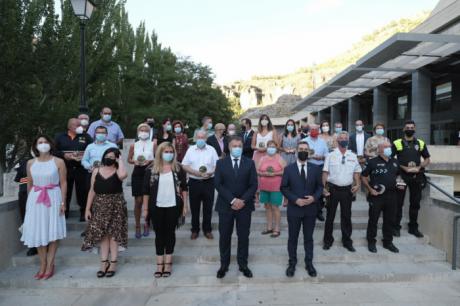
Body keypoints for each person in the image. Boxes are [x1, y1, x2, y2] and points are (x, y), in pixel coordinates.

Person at [20, 135, 67, 280]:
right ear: (35, 145)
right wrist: (29, 203)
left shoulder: (59, 162)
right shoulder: (30, 163)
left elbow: (64, 183)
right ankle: (42, 264)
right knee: (38, 232)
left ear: (50, 144)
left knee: (53, 231)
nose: (43, 144)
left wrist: (63, 203)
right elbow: (29, 183)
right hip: (36, 198)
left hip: (53, 197)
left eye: (45, 142)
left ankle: (50, 264)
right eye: (40, 142)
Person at [142, 142, 188, 278]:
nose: (169, 154)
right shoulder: (151, 170)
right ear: (160, 152)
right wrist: (145, 209)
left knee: (170, 233)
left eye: (171, 152)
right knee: (159, 234)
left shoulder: (178, 169)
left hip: (173, 206)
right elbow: (145, 191)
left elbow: (184, 188)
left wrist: (185, 205)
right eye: (166, 151)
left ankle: (168, 263)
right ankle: (159, 264)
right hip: (156, 206)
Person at [215, 136, 258, 279]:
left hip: (244, 207)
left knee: (243, 236)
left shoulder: (250, 163)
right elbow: (218, 184)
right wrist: (233, 200)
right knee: (224, 236)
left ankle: (243, 264)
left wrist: (242, 200)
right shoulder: (220, 163)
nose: (237, 148)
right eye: (234, 146)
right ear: (228, 147)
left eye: (239, 146)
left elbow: (253, 185)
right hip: (225, 206)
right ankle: (224, 265)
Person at [83, 148, 128, 278]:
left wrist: (121, 161)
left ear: (117, 158)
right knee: (102, 235)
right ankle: (103, 262)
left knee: (114, 234)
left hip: (116, 205)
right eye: (107, 155)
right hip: (100, 205)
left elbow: (123, 175)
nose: (109, 158)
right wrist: (87, 208)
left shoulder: (118, 171)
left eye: (112, 156)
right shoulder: (96, 170)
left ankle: (113, 262)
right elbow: (92, 190)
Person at [281, 141, 323, 278]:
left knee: (308, 238)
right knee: (292, 238)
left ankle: (309, 263)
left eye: (306, 149)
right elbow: (284, 187)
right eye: (301, 149)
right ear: (296, 151)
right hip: (294, 209)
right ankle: (292, 263)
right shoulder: (289, 169)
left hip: (310, 209)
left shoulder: (316, 169)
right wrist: (295, 199)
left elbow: (320, 187)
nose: (303, 151)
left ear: (309, 152)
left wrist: (314, 198)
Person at [322, 131, 361, 252]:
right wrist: (323, 188)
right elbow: (325, 172)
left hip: (347, 190)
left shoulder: (352, 156)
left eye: (345, 138)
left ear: (348, 140)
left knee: (346, 216)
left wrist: (358, 183)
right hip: (333, 189)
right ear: (337, 141)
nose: (343, 140)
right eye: (341, 138)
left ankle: (347, 241)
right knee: (330, 216)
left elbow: (357, 171)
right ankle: (328, 241)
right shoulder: (331, 155)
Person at [362, 141, 403, 253]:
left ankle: (388, 242)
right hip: (377, 196)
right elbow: (364, 177)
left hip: (392, 195)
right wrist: (370, 190)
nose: (388, 148)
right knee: (373, 219)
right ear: (379, 149)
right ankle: (371, 241)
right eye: (385, 147)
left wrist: (400, 183)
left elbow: (399, 175)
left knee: (389, 220)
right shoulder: (372, 162)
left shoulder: (395, 161)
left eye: (389, 147)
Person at [392, 120, 431, 238]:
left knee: (415, 203)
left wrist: (419, 167)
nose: (410, 129)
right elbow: (391, 160)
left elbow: (427, 159)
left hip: (416, 176)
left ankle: (413, 228)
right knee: (398, 203)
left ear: (415, 129)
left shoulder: (420, 143)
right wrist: (404, 168)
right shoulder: (397, 143)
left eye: (412, 127)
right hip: (401, 177)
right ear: (404, 129)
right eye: (407, 127)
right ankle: (396, 227)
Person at [182, 130, 219, 240]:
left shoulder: (211, 150)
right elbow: (184, 165)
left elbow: (217, 164)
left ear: (206, 139)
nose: (200, 139)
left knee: (208, 207)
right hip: (194, 182)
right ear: (195, 138)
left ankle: (207, 230)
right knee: (194, 208)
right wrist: (195, 172)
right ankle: (195, 230)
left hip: (208, 182)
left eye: (203, 137)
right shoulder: (190, 150)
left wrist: (212, 172)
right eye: (198, 137)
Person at [54, 118, 93, 220]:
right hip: (65, 168)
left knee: (83, 191)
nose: (80, 127)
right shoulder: (60, 137)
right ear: (69, 126)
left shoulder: (86, 136)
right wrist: (64, 155)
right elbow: (53, 151)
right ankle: (64, 213)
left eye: (80, 125)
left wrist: (84, 157)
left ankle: (84, 213)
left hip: (81, 168)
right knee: (66, 191)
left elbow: (93, 149)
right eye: (77, 125)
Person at [127, 123, 155, 239]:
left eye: (146, 130)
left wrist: (149, 162)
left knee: (147, 200)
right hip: (137, 173)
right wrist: (135, 162)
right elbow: (129, 159)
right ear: (138, 132)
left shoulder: (153, 144)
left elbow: (157, 158)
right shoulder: (134, 145)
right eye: (141, 130)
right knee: (138, 201)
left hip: (149, 172)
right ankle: (137, 225)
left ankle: (146, 224)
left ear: (149, 133)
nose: (144, 132)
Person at [257, 140, 286, 238]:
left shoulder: (279, 158)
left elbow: (285, 171)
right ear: (266, 147)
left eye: (273, 146)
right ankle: (269, 227)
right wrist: (263, 173)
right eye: (269, 146)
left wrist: (275, 173)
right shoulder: (262, 158)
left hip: (276, 187)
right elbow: (257, 170)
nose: (271, 148)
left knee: (275, 207)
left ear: (276, 148)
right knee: (267, 207)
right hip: (264, 186)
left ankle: (277, 228)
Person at [303, 124, 329, 222]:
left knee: (320, 188)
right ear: (309, 130)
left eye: (316, 129)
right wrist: (311, 156)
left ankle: (319, 211)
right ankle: (309, 210)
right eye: (312, 129)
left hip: (320, 167)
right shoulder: (304, 141)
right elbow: (300, 153)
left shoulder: (322, 142)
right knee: (310, 188)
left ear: (319, 130)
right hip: (309, 166)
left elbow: (327, 154)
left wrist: (322, 157)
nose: (314, 131)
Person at [14, 154, 38, 256]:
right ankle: (32, 246)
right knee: (27, 220)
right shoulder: (25, 161)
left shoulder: (49, 161)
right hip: (25, 193)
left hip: (42, 193)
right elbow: (18, 179)